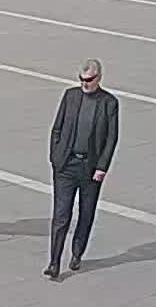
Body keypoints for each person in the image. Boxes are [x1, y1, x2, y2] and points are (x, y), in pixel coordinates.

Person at [45, 59, 119, 280]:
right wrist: (55, 156)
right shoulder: (70, 96)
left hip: (90, 169)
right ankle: (54, 261)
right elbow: (57, 128)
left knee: (86, 213)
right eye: (81, 79)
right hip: (66, 166)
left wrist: (102, 167)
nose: (84, 84)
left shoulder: (109, 103)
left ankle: (77, 252)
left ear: (99, 78)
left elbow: (111, 139)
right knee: (61, 215)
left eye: (89, 80)